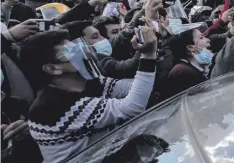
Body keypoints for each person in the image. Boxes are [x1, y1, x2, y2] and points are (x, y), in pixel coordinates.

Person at [21, 26, 157, 163]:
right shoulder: (52, 107)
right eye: (71, 50)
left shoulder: (91, 83)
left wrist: (147, 50)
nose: (84, 51)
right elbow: (132, 107)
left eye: (77, 45)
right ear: (52, 68)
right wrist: (148, 56)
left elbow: (134, 87)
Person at [166, 29, 212, 97]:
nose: (208, 40)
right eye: (201, 38)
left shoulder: (200, 66)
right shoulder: (181, 72)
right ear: (190, 47)